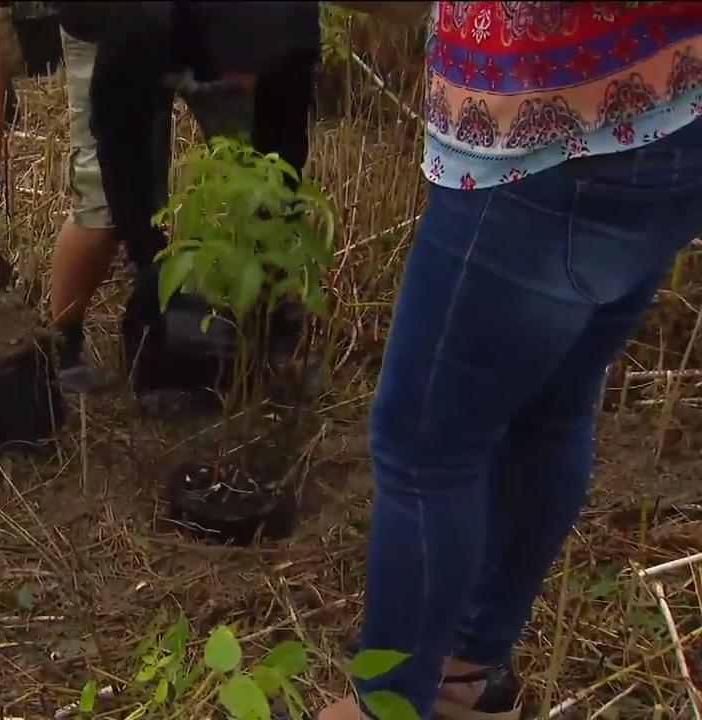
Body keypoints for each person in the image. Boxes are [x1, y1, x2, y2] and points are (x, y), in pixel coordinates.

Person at [315, 3, 702, 719]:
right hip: (675, 107)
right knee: (550, 408)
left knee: (425, 450)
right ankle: (466, 678)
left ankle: (391, 707)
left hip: (542, 131)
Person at [67, 2, 321, 400]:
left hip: (214, 29)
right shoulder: (138, 27)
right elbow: (118, 142)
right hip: (119, 29)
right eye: (250, 68)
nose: (252, 86)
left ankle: (270, 351)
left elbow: (284, 148)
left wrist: (275, 228)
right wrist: (146, 258)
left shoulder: (294, 29)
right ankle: (61, 351)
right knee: (101, 209)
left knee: (254, 174)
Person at [48, 3, 258, 394]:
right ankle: (63, 348)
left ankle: (274, 338)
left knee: (262, 175)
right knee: (103, 208)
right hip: (107, 26)